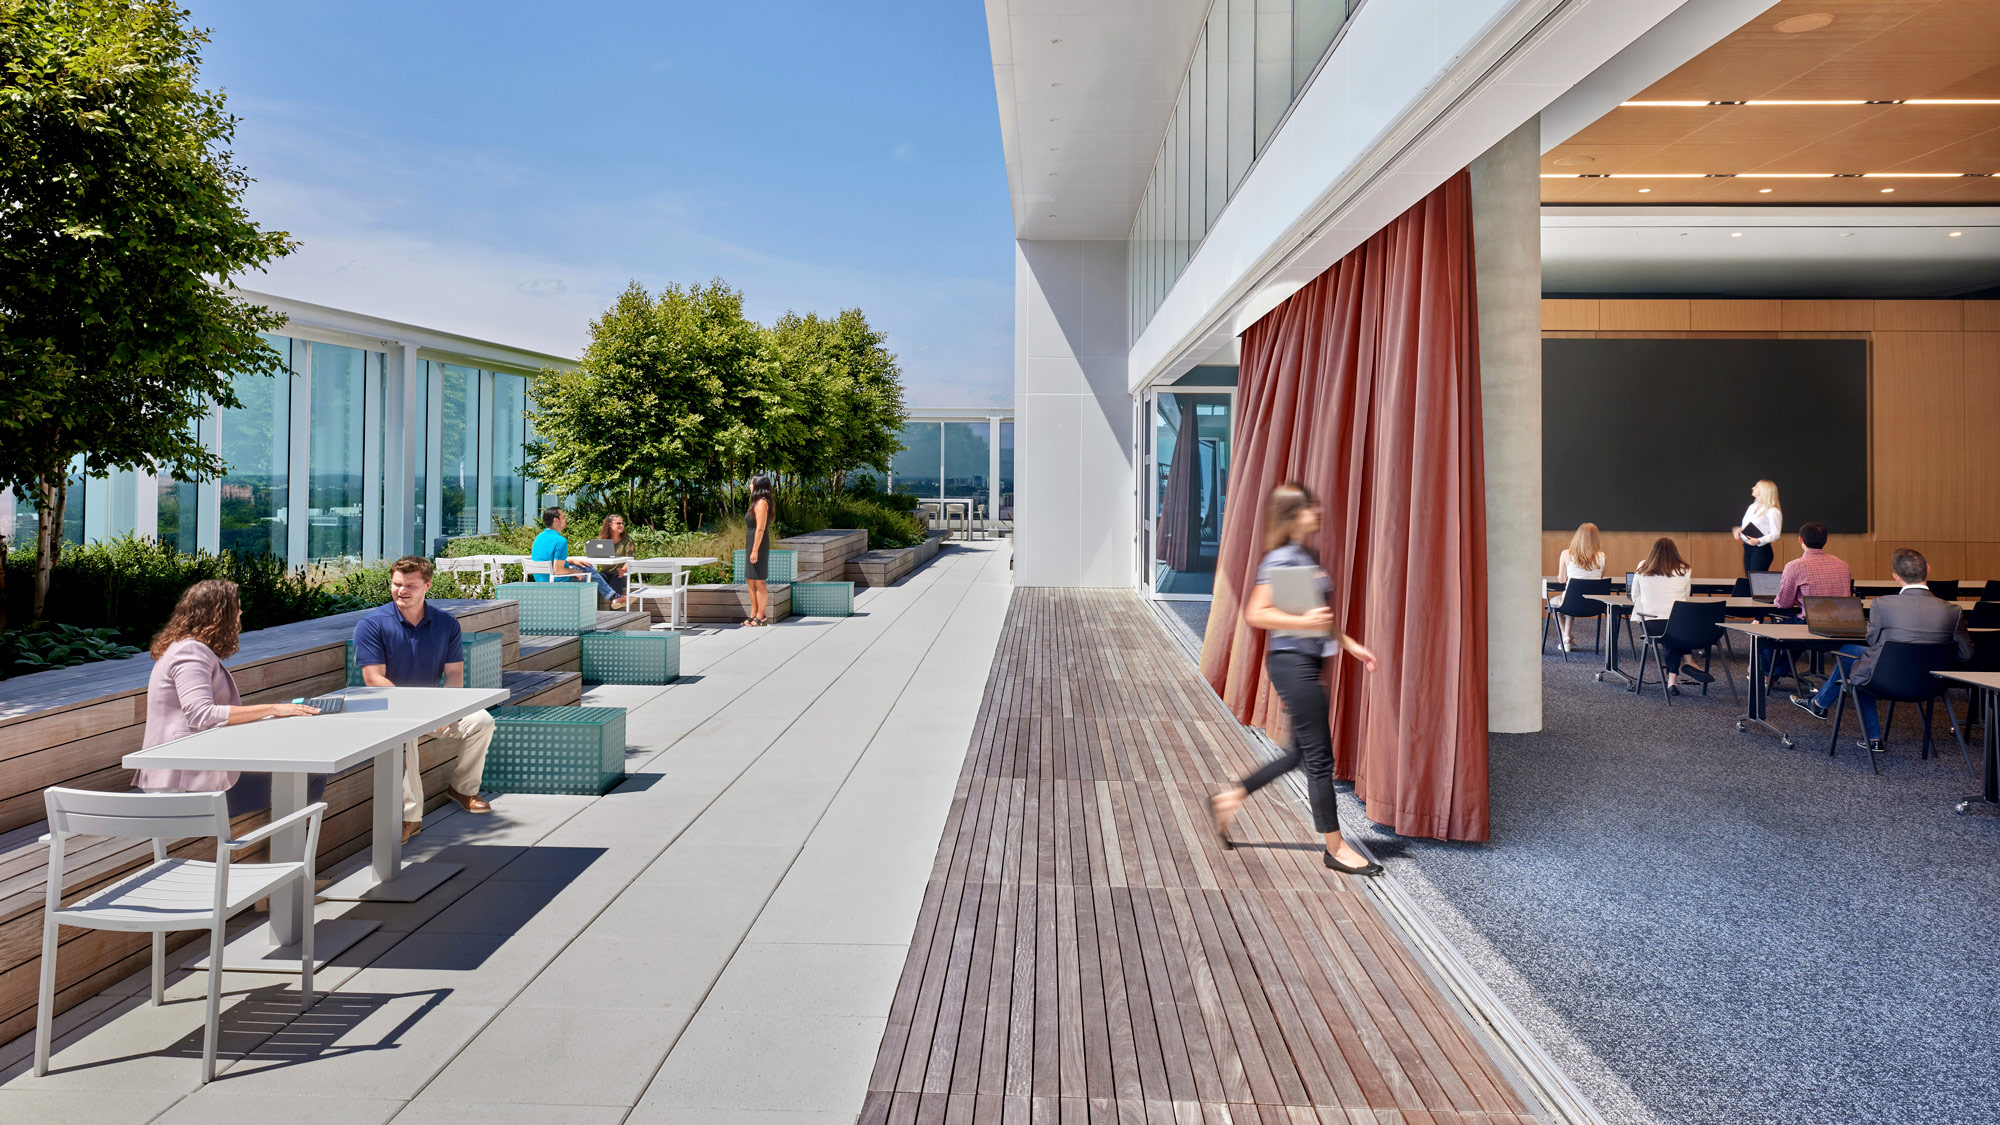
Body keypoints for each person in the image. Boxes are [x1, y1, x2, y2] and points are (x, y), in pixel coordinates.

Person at [1208, 483, 1383, 877]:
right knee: (1321, 760)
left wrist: (1351, 645)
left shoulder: (1304, 555)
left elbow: (1316, 615)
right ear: (1291, 516)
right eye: (1309, 508)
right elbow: (1257, 613)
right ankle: (1336, 849)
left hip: (1306, 662)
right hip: (1293, 665)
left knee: (1297, 755)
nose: (1317, 512)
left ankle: (1229, 798)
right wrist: (1302, 622)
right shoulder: (1282, 559)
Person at [137, 580, 321, 813]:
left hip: (191, 773)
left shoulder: (187, 648)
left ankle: (284, 839)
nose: (241, 613)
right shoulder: (189, 652)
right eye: (237, 608)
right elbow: (201, 714)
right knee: (309, 776)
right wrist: (273, 708)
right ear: (218, 614)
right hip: (184, 785)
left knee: (300, 774)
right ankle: (291, 844)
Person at [354, 556, 497, 844]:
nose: (401, 591)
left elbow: (454, 673)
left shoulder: (445, 623)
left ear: (427, 585)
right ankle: (410, 818)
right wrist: (418, 712)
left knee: (483, 721)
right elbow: (373, 679)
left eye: (410, 585)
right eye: (396, 584)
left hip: (431, 709)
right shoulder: (371, 624)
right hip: (387, 708)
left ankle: (463, 788)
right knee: (404, 736)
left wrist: (447, 711)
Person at [1793, 548, 1972, 752]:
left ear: (1895, 576)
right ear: (1928, 570)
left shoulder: (1882, 604)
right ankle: (1826, 708)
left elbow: (1873, 642)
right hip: (1932, 684)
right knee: (1856, 657)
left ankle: (1848, 722)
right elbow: (1966, 654)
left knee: (1856, 662)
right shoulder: (1953, 611)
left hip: (1886, 679)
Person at [1630, 537, 1700, 693]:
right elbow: (1686, 598)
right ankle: (1675, 676)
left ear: (1653, 552)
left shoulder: (1643, 566)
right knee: (1676, 634)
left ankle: (1674, 679)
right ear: (1675, 552)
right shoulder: (1685, 569)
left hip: (1651, 624)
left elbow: (1634, 595)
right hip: (1678, 624)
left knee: (1669, 636)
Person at [531, 506, 625, 609]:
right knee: (589, 571)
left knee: (585, 566)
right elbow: (558, 570)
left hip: (542, 580)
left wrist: (571, 561)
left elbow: (548, 559)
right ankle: (612, 598)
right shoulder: (560, 541)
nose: (566, 519)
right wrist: (575, 572)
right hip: (557, 581)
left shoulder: (539, 537)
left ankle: (613, 597)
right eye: (563, 516)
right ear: (556, 520)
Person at [1549, 522, 1605, 653]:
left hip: (1572, 601)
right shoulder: (1602, 557)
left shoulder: (1566, 554)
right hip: (1595, 604)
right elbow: (1599, 579)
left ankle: (1565, 636)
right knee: (1570, 600)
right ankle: (1567, 636)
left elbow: (1562, 579)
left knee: (1556, 603)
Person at [1732, 479, 1783, 575]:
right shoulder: (1752, 507)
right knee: (1750, 581)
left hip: (1761, 550)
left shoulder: (1772, 511)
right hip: (1747, 548)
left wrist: (1758, 541)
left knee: (1757, 582)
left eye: (1756, 486)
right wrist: (1739, 531)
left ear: (1764, 491)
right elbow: (1746, 526)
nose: (1753, 488)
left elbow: (1776, 534)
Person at [744, 475, 775, 627]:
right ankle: (753, 612)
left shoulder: (762, 503)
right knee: (750, 578)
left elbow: (761, 528)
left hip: (759, 544)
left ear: (758, 485)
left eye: (751, 483)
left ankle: (761, 615)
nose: (749, 486)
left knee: (759, 580)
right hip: (751, 542)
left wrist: (755, 550)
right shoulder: (755, 503)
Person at [597, 513, 635, 599]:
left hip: (621, 574)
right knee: (597, 579)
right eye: (618, 523)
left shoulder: (627, 541)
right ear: (610, 525)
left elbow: (631, 559)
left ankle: (615, 610)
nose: (621, 525)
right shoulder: (602, 540)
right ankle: (595, 610)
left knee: (615, 579)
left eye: (622, 523)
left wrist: (623, 570)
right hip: (605, 572)